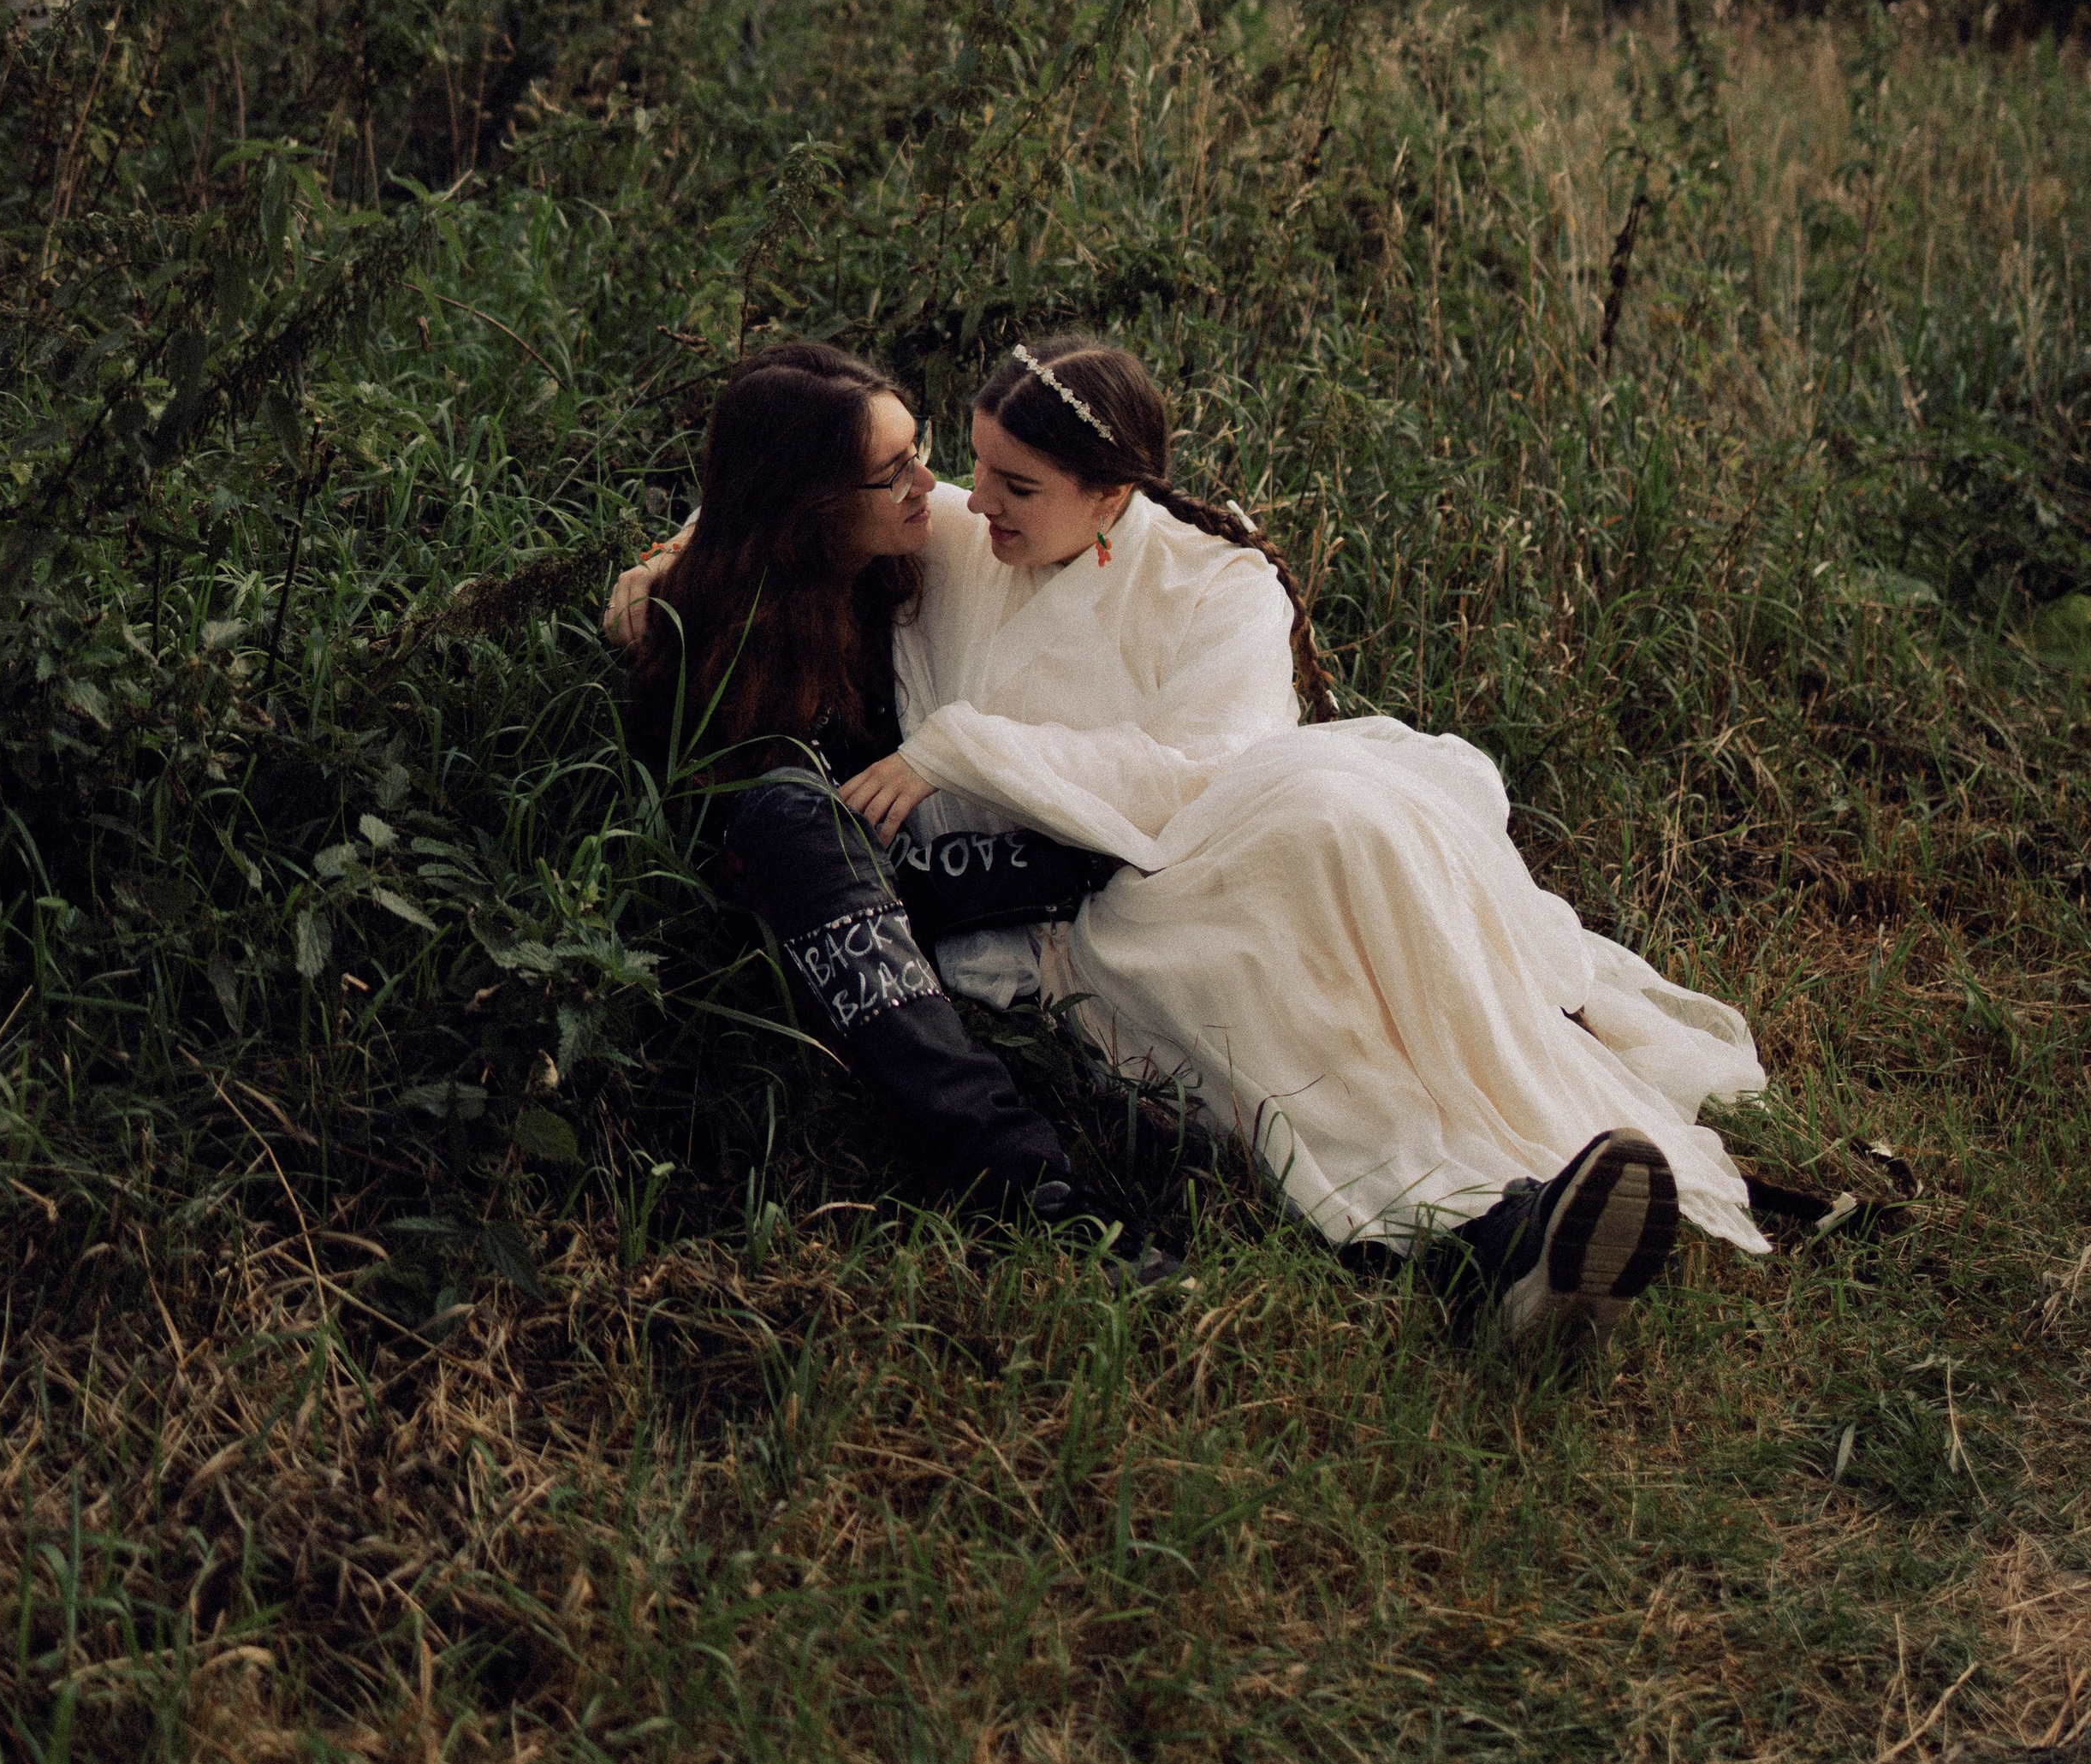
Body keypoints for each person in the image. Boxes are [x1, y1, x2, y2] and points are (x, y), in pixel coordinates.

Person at [613, 338, 1773, 1341]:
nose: (959, 493)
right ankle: (1484, 1238)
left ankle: (1507, 1206)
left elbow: (1206, 773)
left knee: (1326, 850)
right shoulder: (968, 534)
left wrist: (960, 745)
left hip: (1171, 849)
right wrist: (670, 559)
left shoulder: (1207, 587)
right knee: (1243, 974)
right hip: (1047, 908)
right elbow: (774, 486)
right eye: (934, 463)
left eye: (1005, 480)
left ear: (1111, 495)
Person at [614, 341, 1129, 1239]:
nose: (932, 482)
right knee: (784, 806)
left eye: (918, 446)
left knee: (1102, 835)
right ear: (808, 508)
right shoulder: (710, 639)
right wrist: (660, 567)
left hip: (923, 871)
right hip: (808, 899)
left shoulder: (902, 559)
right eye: (892, 472)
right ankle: (1024, 1190)